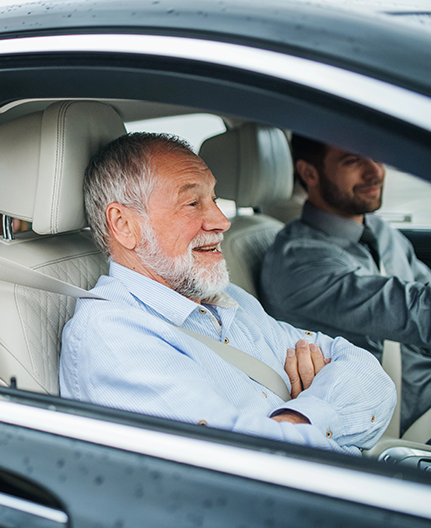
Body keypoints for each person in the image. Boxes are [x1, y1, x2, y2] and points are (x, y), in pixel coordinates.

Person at [59, 132, 395, 455]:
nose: (221, 221)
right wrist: (310, 413)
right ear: (124, 225)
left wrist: (296, 419)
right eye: (192, 202)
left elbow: (368, 374)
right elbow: (251, 467)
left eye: (215, 200)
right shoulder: (115, 337)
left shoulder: (229, 299)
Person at [261, 135, 431, 437]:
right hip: (405, 423)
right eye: (354, 160)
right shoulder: (299, 262)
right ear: (309, 173)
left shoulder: (378, 229)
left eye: (376, 156)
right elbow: (413, 310)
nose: (375, 171)